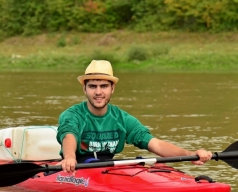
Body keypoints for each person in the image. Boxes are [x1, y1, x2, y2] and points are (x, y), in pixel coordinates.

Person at [56, 60, 212, 173]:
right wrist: (69, 158)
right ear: (84, 88)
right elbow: (70, 135)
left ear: (112, 88)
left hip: (106, 167)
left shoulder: (122, 118)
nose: (98, 92)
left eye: (103, 86)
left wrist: (189, 155)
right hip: (78, 165)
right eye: (92, 86)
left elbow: (154, 144)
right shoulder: (72, 115)